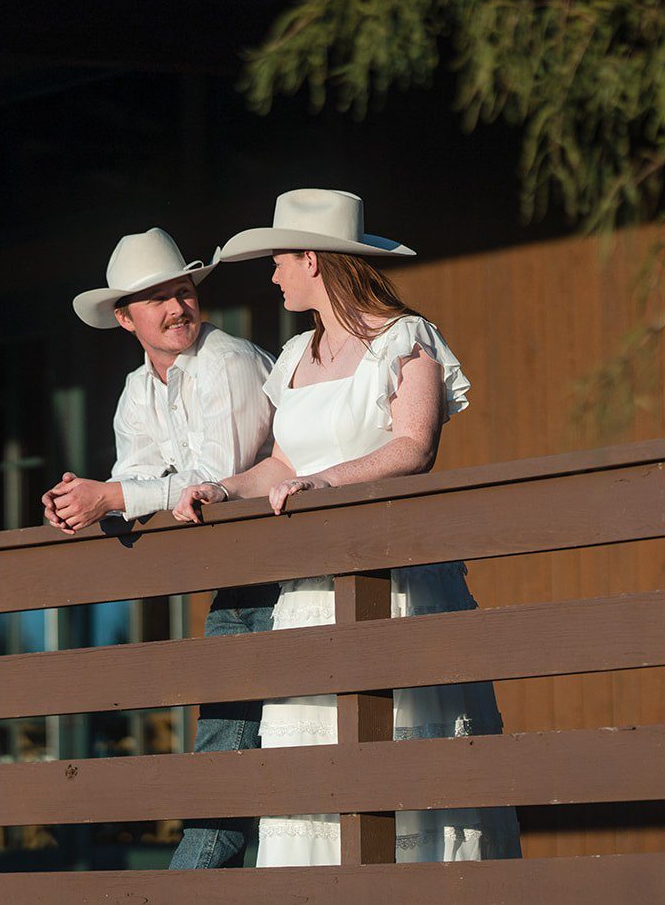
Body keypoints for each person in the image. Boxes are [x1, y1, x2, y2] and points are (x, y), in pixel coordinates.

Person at [174, 188, 522, 866]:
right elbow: (280, 461)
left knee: (397, 752)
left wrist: (326, 483)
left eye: (280, 259)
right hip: (304, 596)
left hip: (388, 582)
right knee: (309, 770)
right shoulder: (298, 354)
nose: (272, 274)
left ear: (314, 258)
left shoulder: (406, 339)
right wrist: (222, 485)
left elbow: (413, 445)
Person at [43, 226, 278, 869]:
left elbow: (213, 483)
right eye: (157, 299)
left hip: (282, 573)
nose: (178, 308)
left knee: (231, 768)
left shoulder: (225, 361)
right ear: (125, 318)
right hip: (241, 584)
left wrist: (111, 496)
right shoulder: (136, 391)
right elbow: (140, 483)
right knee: (234, 762)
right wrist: (86, 499)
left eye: (183, 292)